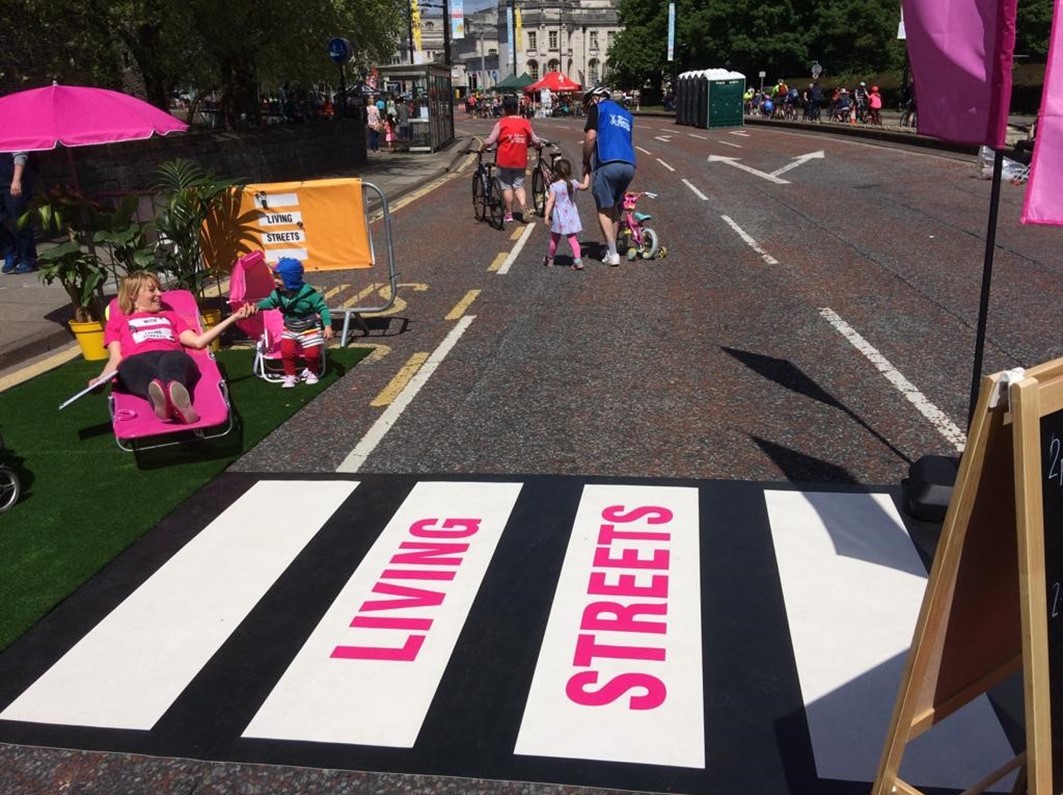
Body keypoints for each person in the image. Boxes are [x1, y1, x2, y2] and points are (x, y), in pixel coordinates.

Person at [92, 272, 253, 423]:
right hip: (136, 360)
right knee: (131, 365)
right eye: (151, 290)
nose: (159, 294)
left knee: (172, 360)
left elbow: (198, 342)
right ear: (133, 295)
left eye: (159, 289)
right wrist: (100, 380)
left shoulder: (170, 316)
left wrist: (233, 318)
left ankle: (177, 396)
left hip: (170, 354)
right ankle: (160, 400)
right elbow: (115, 359)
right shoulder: (117, 323)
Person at [254, 257, 333, 388]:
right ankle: (290, 375)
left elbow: (322, 308)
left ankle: (312, 371)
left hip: (310, 328)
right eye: (275, 277)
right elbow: (270, 302)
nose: (275, 281)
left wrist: (327, 326)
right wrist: (256, 307)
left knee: (312, 354)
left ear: (290, 279)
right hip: (290, 328)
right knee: (287, 352)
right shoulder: (278, 293)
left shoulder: (309, 294)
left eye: (279, 278)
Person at [582, 85, 636, 267]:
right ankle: (610, 248)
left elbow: (590, 137)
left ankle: (613, 254)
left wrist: (585, 161)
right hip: (628, 164)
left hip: (607, 162)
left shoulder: (597, 109)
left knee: (603, 210)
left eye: (588, 100)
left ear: (596, 97)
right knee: (614, 208)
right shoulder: (626, 114)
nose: (588, 105)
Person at [478, 94, 543, 223]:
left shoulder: (501, 123)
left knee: (506, 186)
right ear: (518, 108)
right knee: (519, 185)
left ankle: (509, 214)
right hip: (520, 160)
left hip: (504, 160)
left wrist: (483, 148)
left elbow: (490, 140)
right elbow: (535, 139)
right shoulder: (525, 123)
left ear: (504, 109)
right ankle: (524, 206)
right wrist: (539, 144)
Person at [542, 158, 591, 270]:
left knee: (555, 239)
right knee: (573, 239)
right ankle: (577, 260)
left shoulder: (554, 186)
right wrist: (587, 173)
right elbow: (585, 186)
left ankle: (550, 259)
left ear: (556, 172)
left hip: (559, 216)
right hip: (571, 215)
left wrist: (546, 215)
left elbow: (550, 201)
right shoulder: (573, 183)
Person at [0, 152, 38, 274]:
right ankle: (10, 252)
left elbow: (20, 153)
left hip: (11, 181)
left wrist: (16, 180)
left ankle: (28, 258)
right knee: (1, 220)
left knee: (20, 221)